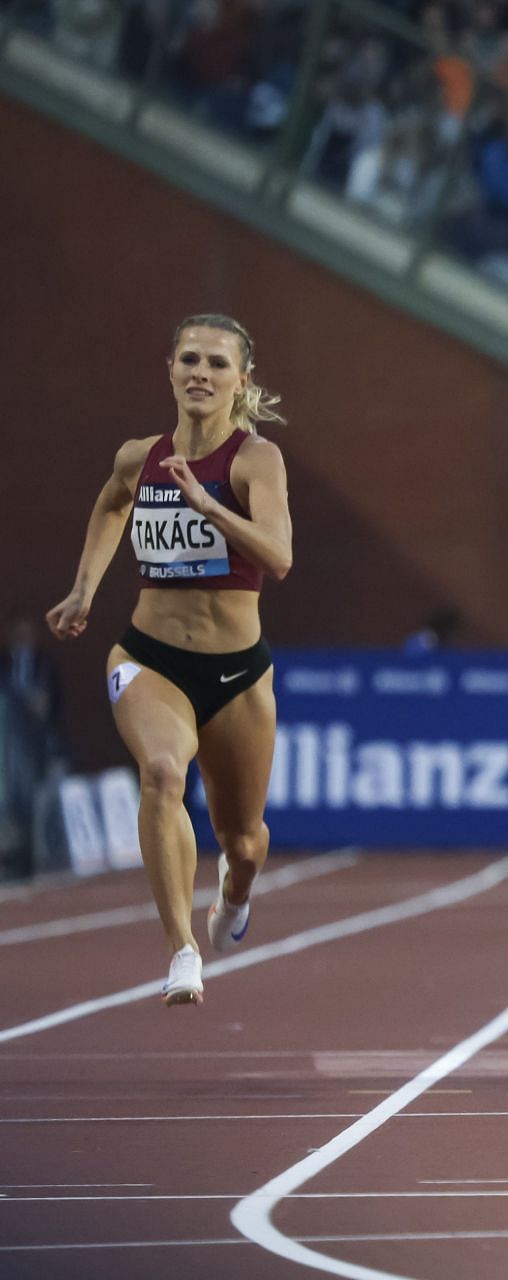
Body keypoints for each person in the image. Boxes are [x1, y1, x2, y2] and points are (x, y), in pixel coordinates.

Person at [45, 314, 294, 1006]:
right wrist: (84, 588)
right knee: (160, 773)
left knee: (243, 841)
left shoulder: (254, 460)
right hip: (148, 658)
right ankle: (181, 949)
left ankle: (232, 900)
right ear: (170, 370)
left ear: (240, 380)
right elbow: (111, 504)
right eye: (190, 359)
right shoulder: (140, 455)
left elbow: (278, 557)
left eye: (218, 364)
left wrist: (205, 505)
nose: (201, 374)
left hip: (237, 672)